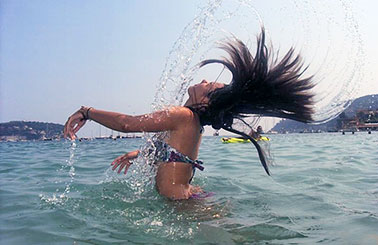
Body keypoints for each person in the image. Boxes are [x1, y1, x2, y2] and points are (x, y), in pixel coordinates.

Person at [64, 29, 314, 200]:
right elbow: (172, 152)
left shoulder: (183, 116)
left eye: (209, 85)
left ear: (205, 102)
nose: (205, 80)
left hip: (183, 206)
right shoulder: (190, 124)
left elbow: (126, 124)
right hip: (186, 197)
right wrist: (138, 153)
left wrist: (87, 112)